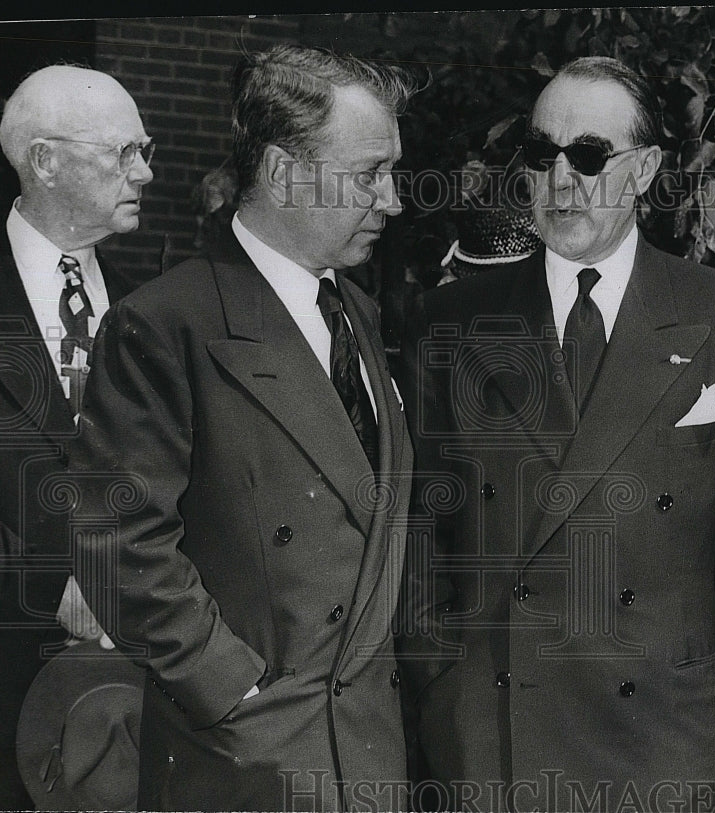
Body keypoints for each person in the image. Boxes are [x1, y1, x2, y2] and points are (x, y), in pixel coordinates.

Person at [400, 56, 715, 812]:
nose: (561, 180)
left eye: (589, 156)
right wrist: (444, 684)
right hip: (496, 740)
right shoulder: (453, 320)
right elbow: (421, 528)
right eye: (541, 154)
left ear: (647, 168)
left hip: (662, 742)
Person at [71, 44, 416, 812]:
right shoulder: (165, 324)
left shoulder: (357, 314)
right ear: (285, 173)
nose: (391, 200)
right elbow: (118, 545)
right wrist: (233, 688)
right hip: (243, 764)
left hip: (368, 756)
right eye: (369, 174)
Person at [0, 64, 153, 809]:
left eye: (145, 150)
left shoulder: (152, 311)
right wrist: (46, 587)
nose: (146, 172)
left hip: (118, 711)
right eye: (123, 153)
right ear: (45, 160)